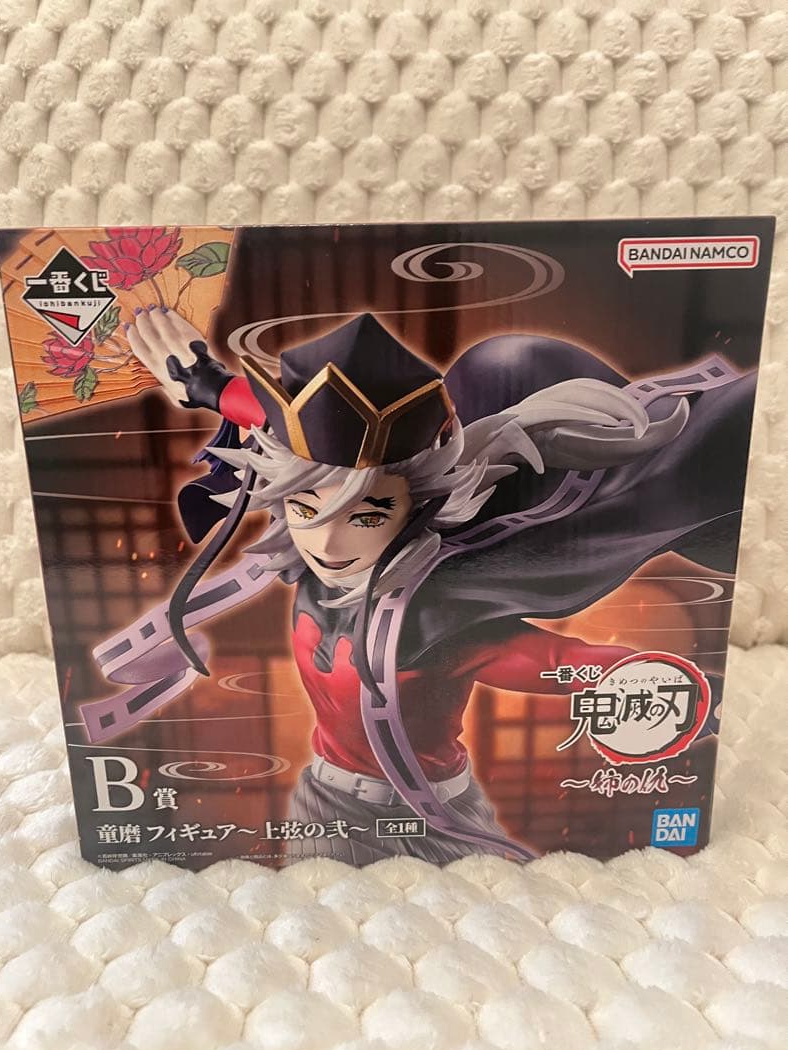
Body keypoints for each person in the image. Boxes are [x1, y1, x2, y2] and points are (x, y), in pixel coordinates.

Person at [118, 306, 748, 864]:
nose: (328, 545)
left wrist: (679, 692)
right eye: (305, 510)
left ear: (417, 507)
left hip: (436, 818)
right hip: (320, 804)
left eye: (367, 516)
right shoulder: (304, 556)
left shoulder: (439, 612)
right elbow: (299, 436)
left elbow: (559, 662)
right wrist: (205, 383)